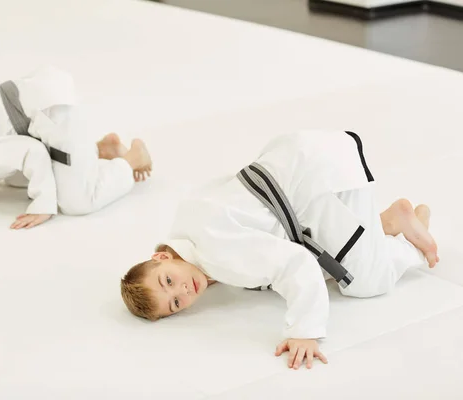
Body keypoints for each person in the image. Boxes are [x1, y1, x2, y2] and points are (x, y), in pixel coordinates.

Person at [120, 129, 439, 370]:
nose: (184, 291)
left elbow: (298, 263)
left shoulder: (217, 255)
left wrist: (304, 330)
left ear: (160, 257)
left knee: (367, 281)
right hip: (297, 154)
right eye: (176, 303)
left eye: (167, 281)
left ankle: (405, 241)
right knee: (323, 262)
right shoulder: (185, 221)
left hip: (328, 177)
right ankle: (384, 222)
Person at [0, 65, 152, 229]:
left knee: (76, 202)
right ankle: (99, 150)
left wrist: (43, 205)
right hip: (42, 99)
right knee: (16, 180)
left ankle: (131, 159)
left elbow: (31, 152)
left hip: (51, 114)